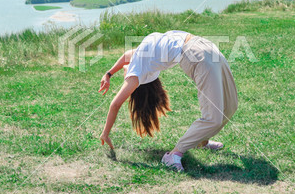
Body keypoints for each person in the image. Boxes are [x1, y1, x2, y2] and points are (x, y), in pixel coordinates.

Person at [98, 30, 238, 172]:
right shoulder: (136, 74)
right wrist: (105, 133)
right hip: (196, 55)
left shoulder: (140, 55)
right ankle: (173, 154)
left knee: (231, 106)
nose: (124, 71)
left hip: (205, 45)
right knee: (213, 118)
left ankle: (201, 140)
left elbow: (125, 56)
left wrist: (108, 74)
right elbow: (115, 105)